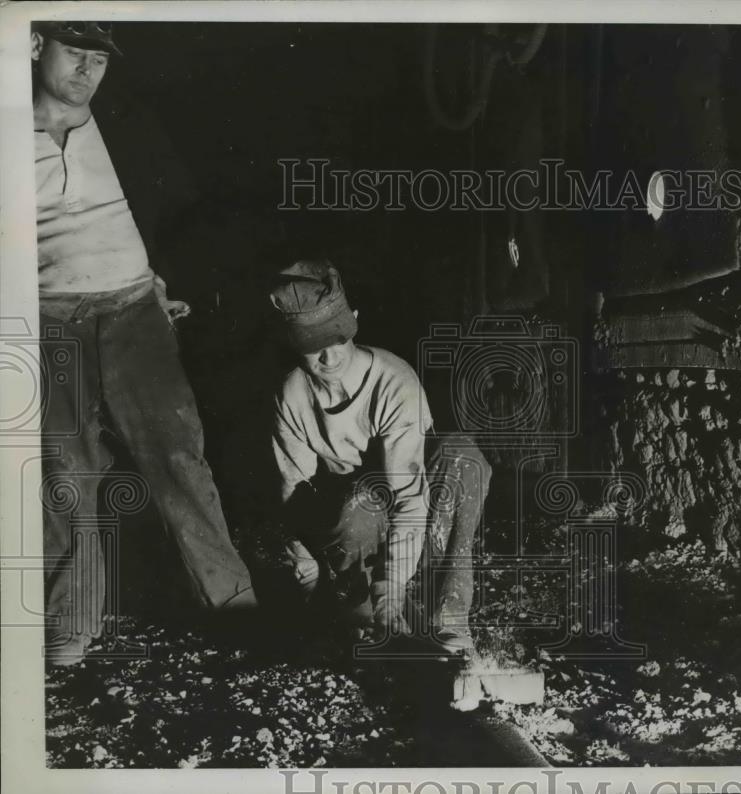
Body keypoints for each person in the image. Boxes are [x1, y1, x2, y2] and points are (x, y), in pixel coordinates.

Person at [32, 21, 257, 666]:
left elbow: (180, 212)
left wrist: (164, 281)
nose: (86, 71)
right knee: (65, 469)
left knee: (179, 458)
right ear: (31, 46)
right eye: (74, 53)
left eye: (98, 60)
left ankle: (233, 606)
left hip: (133, 310)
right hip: (48, 319)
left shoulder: (126, 125)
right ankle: (69, 624)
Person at [269, 260, 491, 655]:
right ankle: (365, 614)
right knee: (359, 504)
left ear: (353, 321)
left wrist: (390, 590)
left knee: (463, 457)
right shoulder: (292, 396)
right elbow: (294, 497)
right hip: (355, 535)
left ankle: (450, 615)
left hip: (418, 521)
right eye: (312, 346)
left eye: (336, 338)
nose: (329, 357)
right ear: (292, 344)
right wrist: (310, 577)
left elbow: (408, 498)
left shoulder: (393, 382)